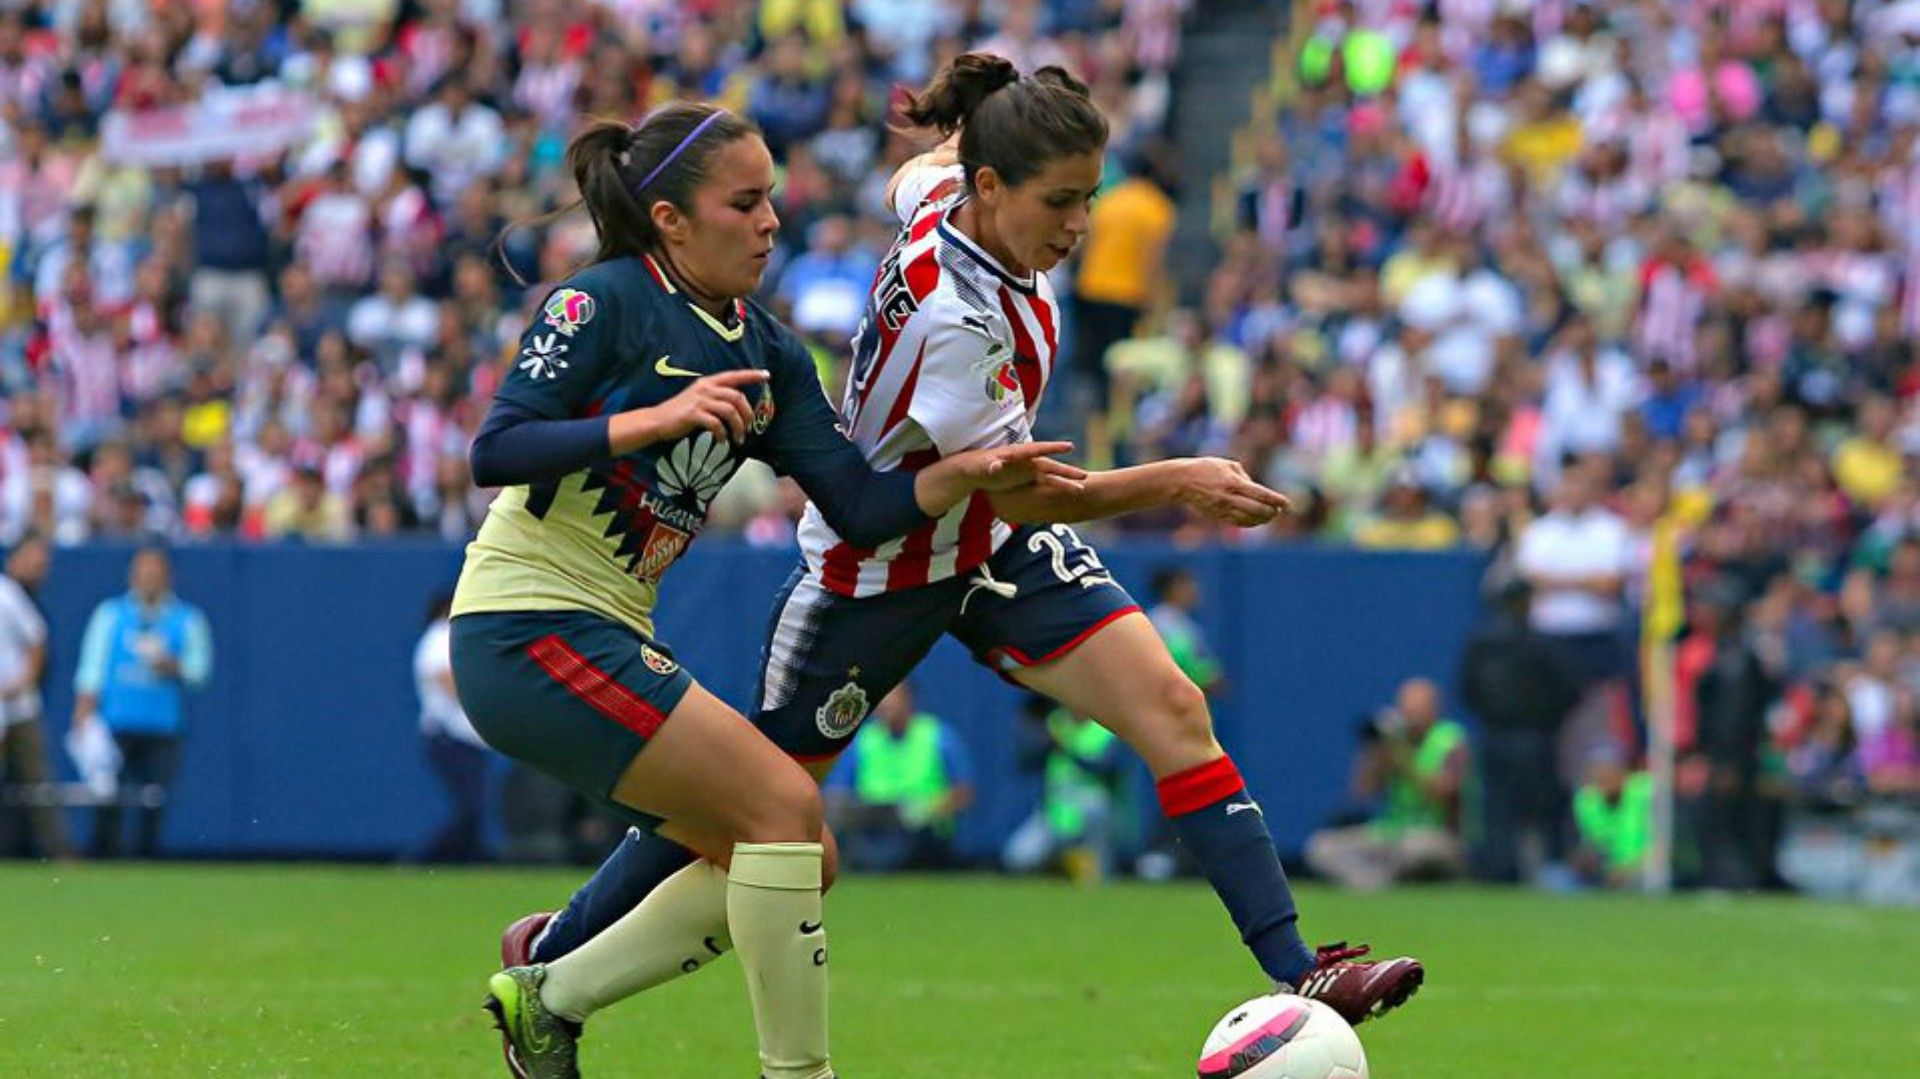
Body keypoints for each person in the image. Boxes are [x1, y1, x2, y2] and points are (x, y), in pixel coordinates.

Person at [510, 55, 1424, 1031]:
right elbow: (1033, 492)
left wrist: (981, 104)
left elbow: (922, 166)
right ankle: (555, 943)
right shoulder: (959, 322)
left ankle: (1298, 969)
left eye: (1089, 198)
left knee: (1173, 706)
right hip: (879, 567)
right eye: (1059, 201)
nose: (1077, 224)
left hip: (988, 543)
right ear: (993, 189)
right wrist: (1177, 479)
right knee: (752, 803)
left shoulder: (946, 194)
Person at [452, 103, 1080, 1079]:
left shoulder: (771, 352)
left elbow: (860, 509)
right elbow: (496, 448)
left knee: (800, 851)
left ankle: (552, 994)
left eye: (772, 199)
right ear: (671, 221)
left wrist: (959, 475)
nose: (770, 221)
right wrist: (652, 419)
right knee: (784, 805)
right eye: (744, 203)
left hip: (600, 633)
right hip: (524, 626)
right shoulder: (601, 303)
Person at [73, 546, 213, 859]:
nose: (149, 579)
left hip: (161, 724)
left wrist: (172, 666)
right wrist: (84, 711)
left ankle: (147, 858)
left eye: (155, 573)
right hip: (116, 720)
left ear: (168, 577)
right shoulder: (111, 614)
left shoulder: (187, 619)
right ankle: (105, 857)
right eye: (143, 572)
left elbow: (200, 671)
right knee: (108, 795)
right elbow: (91, 667)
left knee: (153, 799)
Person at [1305, 679, 1470, 889]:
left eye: (1417, 709)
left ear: (1434, 709)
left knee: (1416, 848)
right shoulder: (1394, 742)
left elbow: (1445, 792)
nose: (1410, 716)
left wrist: (1403, 757)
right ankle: (1374, 883)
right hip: (1390, 832)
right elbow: (1361, 792)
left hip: (1435, 834)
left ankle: (1385, 877)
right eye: (1406, 708)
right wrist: (1374, 752)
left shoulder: (1449, 739)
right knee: (1321, 847)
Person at [824, 683, 974, 871]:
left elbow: (963, 794)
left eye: (893, 700)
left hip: (922, 832)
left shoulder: (937, 735)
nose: (886, 706)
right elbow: (836, 793)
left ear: (908, 700)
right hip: (871, 828)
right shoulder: (862, 740)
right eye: (882, 700)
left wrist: (926, 809)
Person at [0, 533, 70, 859]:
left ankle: (60, 853)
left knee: (37, 783)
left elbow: (38, 640)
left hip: (18, 707)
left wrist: (23, 682)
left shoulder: (6, 594)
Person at [1002, 700, 1125, 882]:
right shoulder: (1056, 721)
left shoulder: (1104, 728)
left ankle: (1091, 869)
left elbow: (1106, 768)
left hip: (1092, 807)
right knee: (1019, 857)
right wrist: (1042, 743)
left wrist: (1066, 748)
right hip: (1057, 809)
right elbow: (1024, 763)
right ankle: (1059, 866)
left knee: (1096, 816)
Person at [413, 591, 494, 863]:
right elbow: (447, 679)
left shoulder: (445, 636)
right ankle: (421, 860)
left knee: (474, 807)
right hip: (449, 736)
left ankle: (469, 860)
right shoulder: (440, 636)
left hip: (463, 737)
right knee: (470, 807)